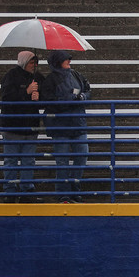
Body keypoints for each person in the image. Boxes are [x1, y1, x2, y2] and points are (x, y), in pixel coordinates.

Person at [39, 50, 91, 203]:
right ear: (57, 62)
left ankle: (74, 190)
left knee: (81, 157)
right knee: (62, 161)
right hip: (60, 126)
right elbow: (48, 102)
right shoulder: (50, 80)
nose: (69, 61)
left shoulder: (76, 75)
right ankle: (63, 194)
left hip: (77, 124)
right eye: (65, 59)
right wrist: (71, 99)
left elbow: (88, 90)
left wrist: (81, 97)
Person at [0, 50, 45, 203]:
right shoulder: (11, 75)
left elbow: (47, 96)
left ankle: (26, 192)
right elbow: (6, 98)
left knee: (28, 160)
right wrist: (26, 92)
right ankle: (10, 192)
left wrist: (39, 97)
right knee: (11, 160)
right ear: (24, 62)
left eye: (36, 62)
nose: (34, 65)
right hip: (12, 126)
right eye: (32, 62)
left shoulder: (37, 77)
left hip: (31, 125)